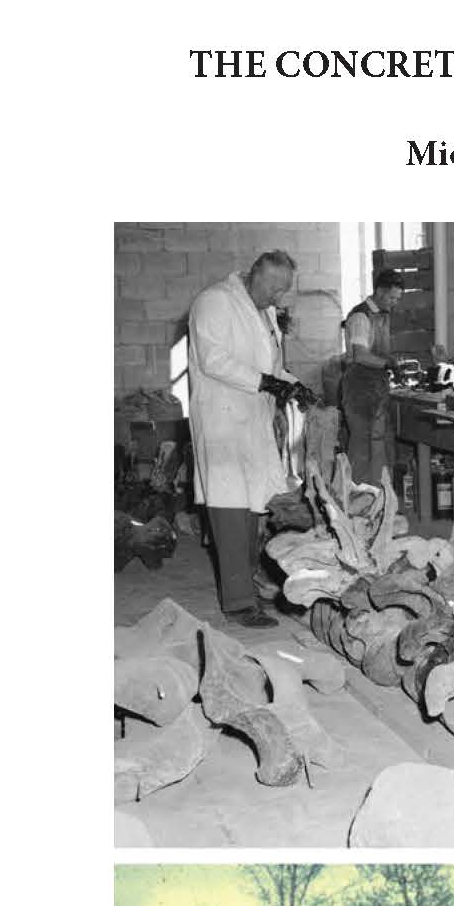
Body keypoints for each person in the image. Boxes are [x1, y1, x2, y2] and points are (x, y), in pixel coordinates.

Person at [186, 250, 314, 630]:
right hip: (222, 422)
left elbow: (271, 367)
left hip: (252, 423)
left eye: (283, 291)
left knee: (252, 511)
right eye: (274, 288)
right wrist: (267, 383)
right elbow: (213, 360)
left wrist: (293, 385)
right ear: (254, 275)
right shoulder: (214, 302)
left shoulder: (264, 311)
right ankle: (238, 603)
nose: (278, 297)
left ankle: (246, 588)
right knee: (229, 514)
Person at [340, 268, 400, 485]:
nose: (395, 302)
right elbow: (360, 355)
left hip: (377, 387)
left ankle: (378, 501)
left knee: (379, 444)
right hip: (359, 389)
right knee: (362, 446)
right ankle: (357, 501)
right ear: (380, 292)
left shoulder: (382, 316)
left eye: (397, 298)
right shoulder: (360, 316)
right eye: (392, 297)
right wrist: (388, 363)